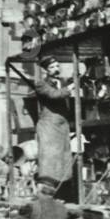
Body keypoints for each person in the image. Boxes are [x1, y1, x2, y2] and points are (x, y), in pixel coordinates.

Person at [33, 57, 74, 185]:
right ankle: (48, 189)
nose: (56, 69)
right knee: (50, 159)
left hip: (62, 124)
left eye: (57, 66)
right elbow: (54, 95)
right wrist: (70, 88)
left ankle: (63, 189)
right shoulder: (41, 84)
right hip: (49, 126)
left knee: (64, 157)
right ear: (45, 70)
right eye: (52, 67)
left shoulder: (64, 82)